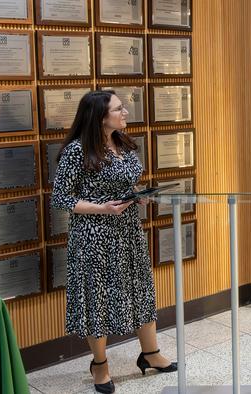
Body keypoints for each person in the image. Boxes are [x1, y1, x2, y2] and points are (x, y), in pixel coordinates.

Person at [52, 91, 177, 393]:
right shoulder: (76, 151)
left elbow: (123, 182)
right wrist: (102, 207)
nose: (125, 112)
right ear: (100, 117)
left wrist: (138, 195)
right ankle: (100, 365)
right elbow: (61, 198)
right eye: (119, 109)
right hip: (94, 237)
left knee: (140, 289)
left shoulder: (121, 142)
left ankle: (150, 354)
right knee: (98, 299)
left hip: (128, 233)